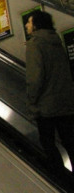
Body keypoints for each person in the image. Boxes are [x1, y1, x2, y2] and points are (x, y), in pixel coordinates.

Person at [25, 10, 74, 186]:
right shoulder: (57, 42)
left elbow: (35, 78)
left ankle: (61, 180)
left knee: (48, 142)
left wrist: (32, 101)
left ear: (36, 25)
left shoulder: (34, 44)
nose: (27, 25)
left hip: (45, 105)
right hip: (66, 102)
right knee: (70, 141)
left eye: (29, 22)